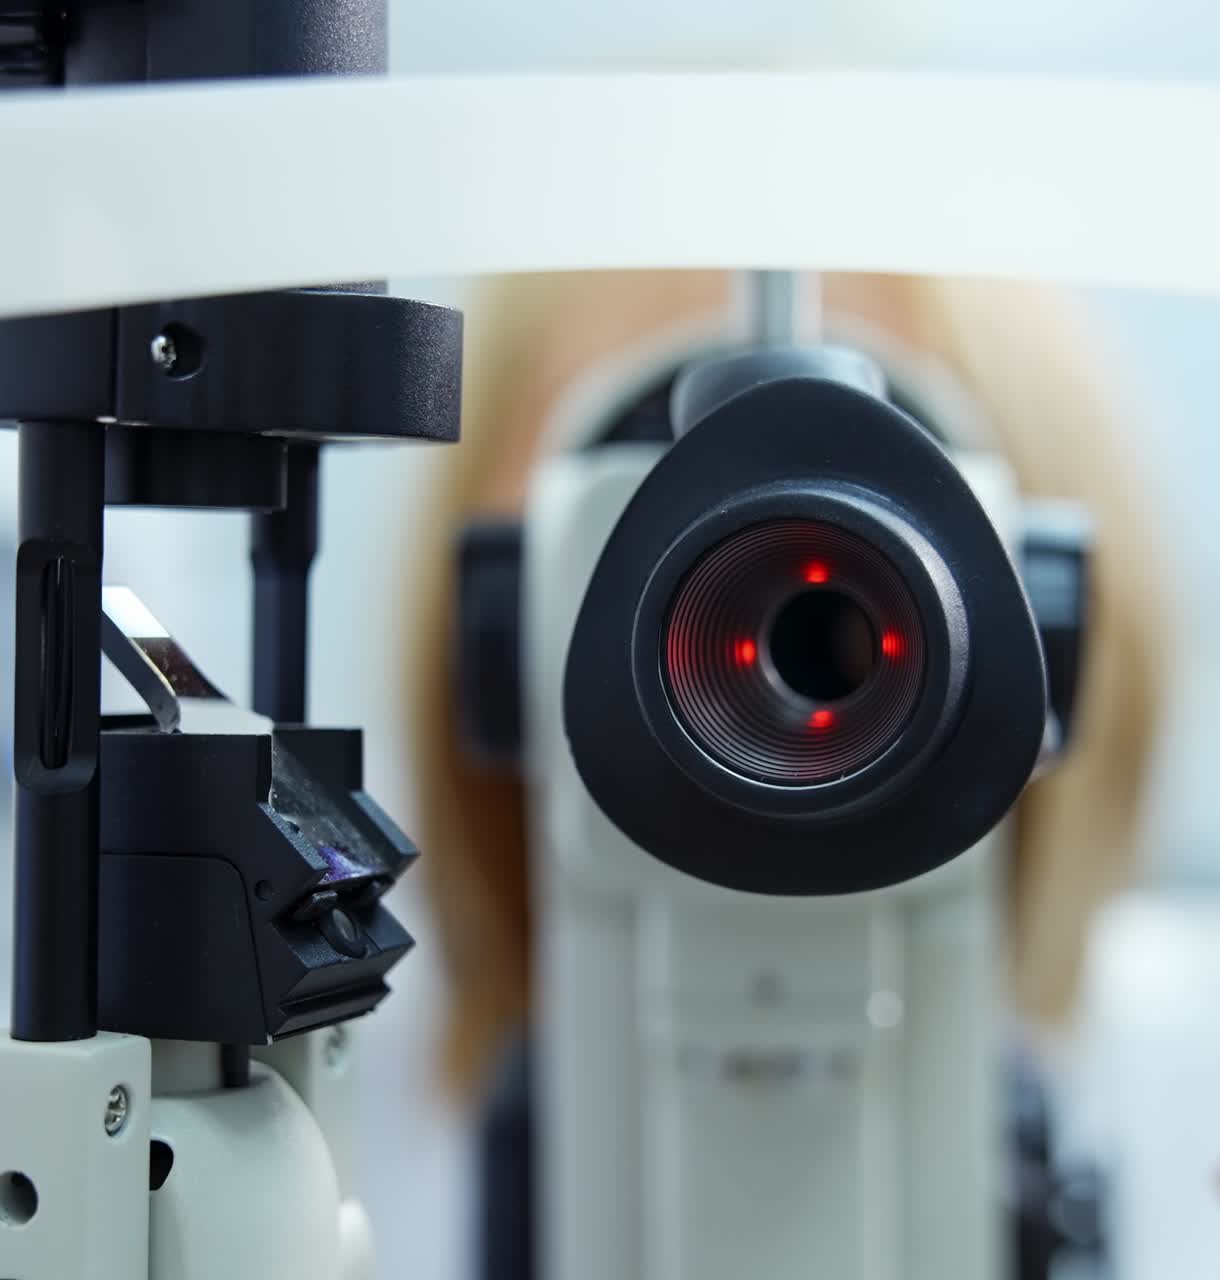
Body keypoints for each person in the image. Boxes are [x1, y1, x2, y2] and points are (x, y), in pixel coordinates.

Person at [405, 270, 1168, 1272]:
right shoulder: (306, 1155)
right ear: (502, 623)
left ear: (1039, 638)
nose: (775, 539)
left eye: (886, 439)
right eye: (653, 456)